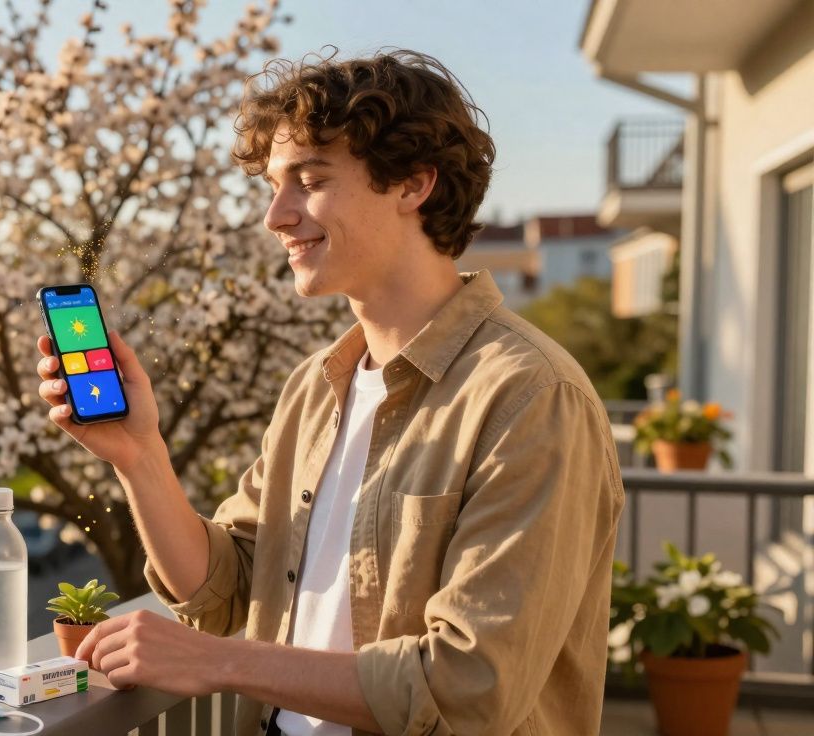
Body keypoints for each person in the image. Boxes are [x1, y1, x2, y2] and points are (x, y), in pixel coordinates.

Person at [35, 49, 624, 736]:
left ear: (412, 184)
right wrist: (139, 455)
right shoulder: (315, 389)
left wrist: (220, 663)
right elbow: (224, 589)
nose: (275, 217)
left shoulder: (530, 397)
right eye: (272, 187)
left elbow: (471, 685)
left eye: (308, 180)